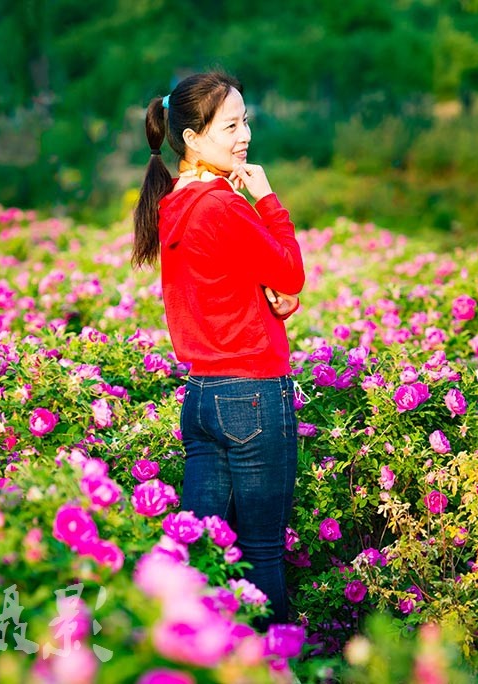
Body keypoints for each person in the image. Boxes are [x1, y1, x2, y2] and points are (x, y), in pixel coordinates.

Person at [132, 71, 305, 627]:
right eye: (230, 124)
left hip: (202, 400)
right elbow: (291, 270)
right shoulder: (223, 206)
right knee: (261, 557)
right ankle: (272, 667)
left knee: (202, 557)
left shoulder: (174, 206)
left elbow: (222, 288)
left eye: (245, 120)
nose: (244, 135)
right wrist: (267, 199)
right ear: (192, 138)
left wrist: (268, 298)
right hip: (251, 394)